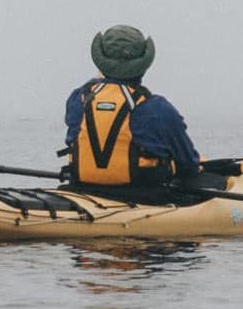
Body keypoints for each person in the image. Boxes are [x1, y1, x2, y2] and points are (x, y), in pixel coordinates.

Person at [64, 25, 203, 189]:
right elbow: (188, 166)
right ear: (144, 66)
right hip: (142, 196)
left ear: (101, 64)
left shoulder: (77, 99)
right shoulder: (157, 109)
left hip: (82, 188)